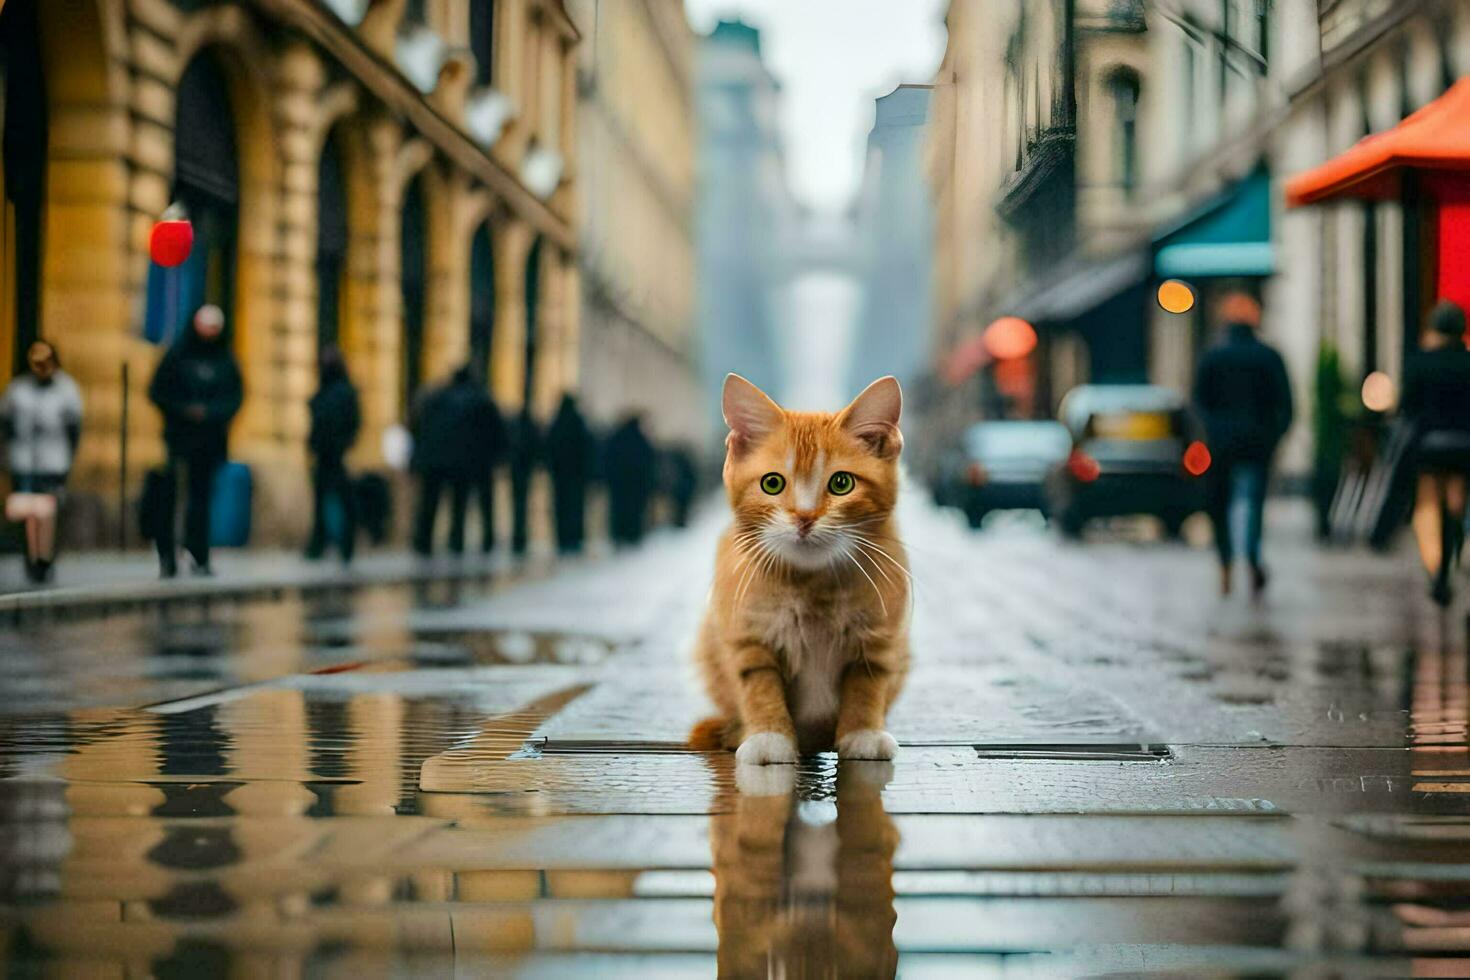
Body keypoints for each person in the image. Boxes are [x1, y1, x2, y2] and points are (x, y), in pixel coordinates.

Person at [1192, 293, 1293, 598]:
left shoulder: (1213, 356)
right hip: (1257, 442)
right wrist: (1274, 437)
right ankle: (1251, 557)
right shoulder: (1268, 356)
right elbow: (1286, 404)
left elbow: (1199, 401)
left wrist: (1210, 431)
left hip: (1221, 443)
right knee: (1254, 503)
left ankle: (1225, 564)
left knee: (1219, 504)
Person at [148, 304, 243, 578]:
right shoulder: (178, 355)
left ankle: (198, 555)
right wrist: (184, 411)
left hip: (210, 441)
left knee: (201, 501)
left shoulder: (225, 360)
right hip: (179, 438)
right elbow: (158, 391)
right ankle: (168, 556)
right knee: (170, 496)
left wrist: (212, 414)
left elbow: (235, 397)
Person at [1401, 300, 1470, 606]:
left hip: (1429, 446)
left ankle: (1435, 566)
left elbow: (1408, 406)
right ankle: (1451, 561)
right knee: (1456, 504)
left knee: (1427, 504)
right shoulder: (1467, 363)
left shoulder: (1420, 362)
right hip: (1464, 445)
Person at [0, 340, 83, 583]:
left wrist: (69, 456)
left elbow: (73, 427)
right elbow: (6, 424)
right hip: (23, 460)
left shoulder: (66, 389)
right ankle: (31, 557)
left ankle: (45, 558)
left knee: (47, 511)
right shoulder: (18, 390)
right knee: (28, 512)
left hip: (53, 461)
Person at [411, 365, 489, 556]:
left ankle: (424, 542)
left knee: (430, 503)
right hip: (461, 461)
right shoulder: (475, 400)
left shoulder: (435, 398)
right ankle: (456, 542)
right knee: (458, 505)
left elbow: (419, 426)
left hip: (434, 459)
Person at [305, 346, 361, 564]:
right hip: (326, 454)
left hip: (335, 454)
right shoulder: (328, 390)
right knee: (324, 501)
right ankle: (323, 545)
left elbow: (351, 423)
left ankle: (339, 546)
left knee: (341, 501)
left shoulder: (340, 392)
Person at [544, 393, 593, 554]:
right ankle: (574, 539)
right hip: (575, 476)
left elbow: (550, 448)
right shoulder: (578, 423)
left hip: (560, 476)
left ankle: (563, 540)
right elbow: (586, 449)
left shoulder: (557, 422)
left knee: (561, 509)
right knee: (575, 509)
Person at [467, 375, 507, 554]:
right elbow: (497, 433)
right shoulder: (486, 403)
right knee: (485, 502)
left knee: (460, 503)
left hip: (464, 459)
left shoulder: (447, 400)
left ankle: (456, 540)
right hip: (483, 461)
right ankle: (488, 540)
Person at [605, 412, 656, 547]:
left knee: (619, 512)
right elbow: (648, 462)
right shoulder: (640, 440)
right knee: (634, 512)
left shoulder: (617, 439)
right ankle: (632, 537)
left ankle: (619, 537)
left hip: (619, 486)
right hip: (636, 487)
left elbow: (609, 460)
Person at [509, 409, 540, 556]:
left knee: (518, 504)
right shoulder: (527, 428)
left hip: (517, 470)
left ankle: (519, 537)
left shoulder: (515, 428)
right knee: (521, 505)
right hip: (522, 470)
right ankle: (520, 537)